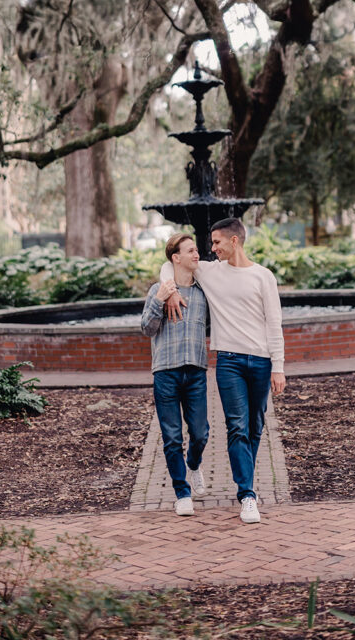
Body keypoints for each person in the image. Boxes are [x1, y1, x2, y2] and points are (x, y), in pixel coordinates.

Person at [161, 217, 285, 525]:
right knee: (237, 427)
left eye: (216, 242)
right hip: (228, 361)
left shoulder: (263, 276)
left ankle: (246, 481)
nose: (211, 248)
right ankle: (247, 495)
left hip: (261, 361)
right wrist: (171, 290)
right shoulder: (211, 272)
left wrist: (278, 367)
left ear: (234, 241)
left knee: (255, 427)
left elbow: (274, 324)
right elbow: (169, 263)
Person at [141, 232, 209, 517]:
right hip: (165, 373)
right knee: (171, 438)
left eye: (196, 250)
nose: (197, 254)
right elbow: (147, 329)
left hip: (196, 372)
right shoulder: (158, 290)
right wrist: (161, 298)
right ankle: (182, 493)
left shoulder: (204, 293)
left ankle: (193, 465)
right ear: (175, 258)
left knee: (201, 433)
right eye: (190, 250)